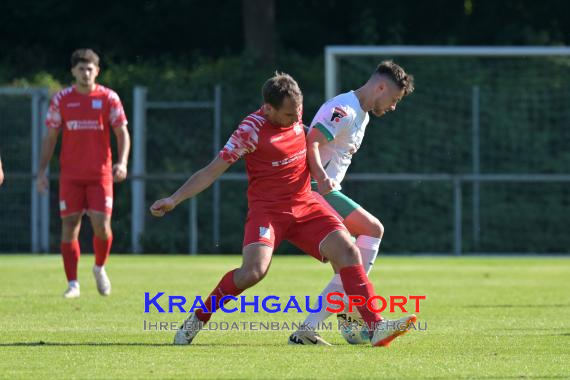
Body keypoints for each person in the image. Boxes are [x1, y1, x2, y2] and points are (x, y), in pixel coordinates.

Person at [150, 72, 416, 347]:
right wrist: (174, 199)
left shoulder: (295, 113)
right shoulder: (249, 131)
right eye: (289, 115)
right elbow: (210, 171)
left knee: (348, 252)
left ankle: (375, 327)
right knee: (253, 272)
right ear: (268, 109)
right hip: (268, 211)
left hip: (305, 203)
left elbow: (309, 140)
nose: (295, 120)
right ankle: (198, 318)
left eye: (298, 112)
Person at [289, 61, 415, 345]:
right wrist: (321, 178)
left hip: (323, 191)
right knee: (373, 230)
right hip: (315, 192)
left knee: (347, 267)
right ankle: (346, 322)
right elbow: (312, 143)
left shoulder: (363, 114)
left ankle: (342, 325)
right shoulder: (343, 109)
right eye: (394, 99)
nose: (394, 107)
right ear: (380, 86)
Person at [36, 48, 130, 299]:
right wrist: (42, 171)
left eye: (90, 69)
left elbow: (122, 133)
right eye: (81, 68)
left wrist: (122, 162)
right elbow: (51, 136)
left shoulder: (109, 98)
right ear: (73, 71)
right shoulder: (62, 99)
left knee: (102, 225)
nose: (86, 73)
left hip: (100, 175)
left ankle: (99, 267)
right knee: (70, 226)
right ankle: (73, 284)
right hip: (71, 176)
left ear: (97, 71)